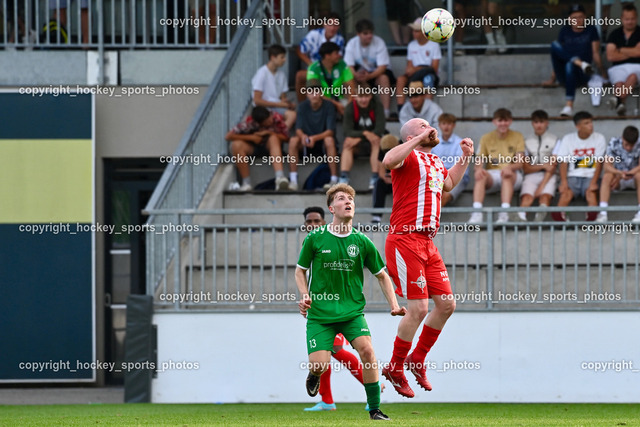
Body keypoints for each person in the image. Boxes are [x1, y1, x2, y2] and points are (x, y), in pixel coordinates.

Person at [296, 183, 407, 421]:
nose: (348, 202)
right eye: (341, 199)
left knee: (367, 351)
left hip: (352, 313)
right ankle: (314, 373)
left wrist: (394, 305)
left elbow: (382, 275)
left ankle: (375, 408)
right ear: (332, 208)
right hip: (320, 315)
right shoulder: (315, 238)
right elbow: (300, 271)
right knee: (320, 365)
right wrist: (305, 294)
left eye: (351, 199)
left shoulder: (362, 241)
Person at [380, 118, 473, 398]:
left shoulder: (433, 162)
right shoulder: (406, 155)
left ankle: (416, 359)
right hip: (405, 238)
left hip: (427, 243)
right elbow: (387, 160)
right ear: (410, 135)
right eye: (423, 126)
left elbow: (449, 183)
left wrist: (465, 158)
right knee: (418, 308)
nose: (429, 128)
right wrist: (417, 140)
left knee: (446, 305)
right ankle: (395, 368)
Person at [301, 206, 378, 412]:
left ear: (324, 222)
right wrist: (306, 298)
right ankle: (327, 399)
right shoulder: (311, 242)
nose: (313, 225)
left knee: (336, 350)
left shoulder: (337, 240)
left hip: (342, 309)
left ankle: (366, 385)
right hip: (320, 309)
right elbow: (302, 273)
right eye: (309, 222)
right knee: (327, 354)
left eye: (317, 221)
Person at [543, 4, 604, 117]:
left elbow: (595, 52)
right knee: (555, 45)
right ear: (569, 19)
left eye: (580, 17)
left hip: (583, 73)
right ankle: (579, 62)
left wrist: (603, 72)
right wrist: (552, 78)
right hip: (565, 74)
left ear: (585, 17)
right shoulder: (564, 31)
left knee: (569, 65)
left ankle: (569, 106)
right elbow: (559, 55)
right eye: (574, 17)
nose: (578, 20)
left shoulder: (591, 30)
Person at [468, 108, 525, 224]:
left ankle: (504, 213)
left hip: (513, 174)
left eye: (506, 121)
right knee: (480, 175)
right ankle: (477, 213)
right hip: (493, 175)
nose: (503, 124)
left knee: (506, 175)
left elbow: (520, 162)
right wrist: (478, 169)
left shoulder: (518, 136)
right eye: (500, 120)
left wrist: (510, 167)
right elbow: (479, 160)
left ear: (510, 121)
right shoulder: (486, 138)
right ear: (494, 122)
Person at [552, 111, 606, 222]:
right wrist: (563, 182)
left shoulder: (599, 138)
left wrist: (594, 182)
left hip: (591, 176)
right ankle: (561, 216)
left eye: (591, 122)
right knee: (566, 194)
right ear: (578, 126)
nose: (590, 125)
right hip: (573, 176)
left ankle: (591, 217)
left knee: (591, 193)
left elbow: (599, 162)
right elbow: (563, 162)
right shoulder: (568, 139)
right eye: (586, 123)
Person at [288, 80, 339, 190]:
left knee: (329, 140)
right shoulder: (302, 107)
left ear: (321, 93)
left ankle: (334, 179)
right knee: (293, 140)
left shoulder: (329, 106)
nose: (314, 94)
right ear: (306, 93)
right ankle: (293, 180)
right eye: (310, 91)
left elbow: (330, 131)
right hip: (306, 144)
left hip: (322, 143)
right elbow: (298, 129)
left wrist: (314, 138)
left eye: (317, 91)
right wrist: (303, 137)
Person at [225, 106, 289, 191]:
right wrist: (252, 138)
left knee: (273, 138)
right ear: (259, 123)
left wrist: (269, 133)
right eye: (266, 122)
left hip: (272, 147)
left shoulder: (276, 118)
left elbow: (286, 138)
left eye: (269, 118)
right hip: (253, 148)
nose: (270, 121)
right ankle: (246, 183)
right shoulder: (250, 123)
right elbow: (229, 136)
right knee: (236, 145)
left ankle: (280, 177)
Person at [344, 19, 395, 119]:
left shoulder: (379, 42)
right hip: (359, 75)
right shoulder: (351, 44)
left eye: (371, 33)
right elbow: (348, 66)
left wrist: (369, 76)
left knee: (384, 78)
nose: (369, 36)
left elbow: (382, 67)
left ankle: (386, 112)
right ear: (358, 34)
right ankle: (351, 112)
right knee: (348, 80)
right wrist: (356, 75)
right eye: (365, 33)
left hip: (375, 74)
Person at [339, 83, 386, 189]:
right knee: (347, 143)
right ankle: (344, 177)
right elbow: (347, 131)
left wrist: (361, 137)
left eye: (366, 96)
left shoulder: (377, 105)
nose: (363, 100)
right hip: (357, 144)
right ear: (355, 96)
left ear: (371, 96)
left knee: (376, 140)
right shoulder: (350, 108)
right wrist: (364, 134)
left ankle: (375, 177)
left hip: (372, 143)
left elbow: (379, 129)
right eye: (360, 97)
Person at [519, 110, 560, 222]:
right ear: (532, 123)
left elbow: (551, 167)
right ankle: (521, 218)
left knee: (545, 196)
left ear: (547, 123)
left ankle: (538, 220)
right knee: (527, 197)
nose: (539, 125)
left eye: (541, 122)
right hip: (531, 175)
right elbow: (526, 168)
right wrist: (543, 166)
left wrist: (541, 187)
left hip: (549, 176)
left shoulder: (555, 140)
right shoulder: (526, 141)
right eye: (536, 122)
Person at [295, 13, 344, 102]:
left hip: (331, 70)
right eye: (330, 24)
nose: (332, 28)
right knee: (299, 76)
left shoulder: (339, 39)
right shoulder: (314, 34)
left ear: (339, 26)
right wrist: (310, 64)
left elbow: (338, 59)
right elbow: (299, 50)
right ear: (324, 24)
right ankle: (302, 106)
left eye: (335, 25)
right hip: (314, 70)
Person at [596, 125, 640, 223]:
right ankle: (603, 213)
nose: (628, 148)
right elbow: (607, 165)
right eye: (626, 144)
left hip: (634, 178)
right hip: (618, 178)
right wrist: (619, 174)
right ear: (622, 138)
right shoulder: (614, 143)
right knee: (607, 175)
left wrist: (626, 174)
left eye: (631, 145)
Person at [395, 18, 441, 110]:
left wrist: (416, 69)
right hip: (414, 75)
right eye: (413, 31)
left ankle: (427, 109)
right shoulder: (411, 45)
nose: (413, 33)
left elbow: (434, 68)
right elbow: (409, 64)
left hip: (428, 74)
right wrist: (409, 71)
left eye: (417, 31)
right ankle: (401, 109)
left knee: (428, 79)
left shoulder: (434, 45)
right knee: (400, 80)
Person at [605, 3, 640, 116]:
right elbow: (610, 56)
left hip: (637, 66)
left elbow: (639, 52)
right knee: (619, 82)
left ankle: (617, 98)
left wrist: (620, 49)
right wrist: (632, 51)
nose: (629, 21)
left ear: (637, 18)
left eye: (632, 19)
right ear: (621, 19)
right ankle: (621, 104)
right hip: (617, 67)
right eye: (627, 19)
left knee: (633, 76)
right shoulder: (614, 34)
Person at [251, 44, 297, 130]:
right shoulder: (262, 73)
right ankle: (280, 134)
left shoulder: (282, 75)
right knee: (292, 115)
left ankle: (279, 134)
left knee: (296, 113)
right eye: (282, 57)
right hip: (263, 109)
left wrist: (287, 104)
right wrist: (278, 104)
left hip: (276, 107)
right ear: (273, 57)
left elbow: (283, 98)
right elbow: (257, 100)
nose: (285, 60)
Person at [307, 42, 357, 116]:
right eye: (336, 53)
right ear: (327, 56)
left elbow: (351, 85)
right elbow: (315, 92)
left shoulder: (342, 64)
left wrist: (349, 104)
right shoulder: (313, 68)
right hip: (322, 100)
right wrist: (336, 104)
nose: (339, 55)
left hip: (339, 99)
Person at [431, 113, 470, 207]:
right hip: (438, 176)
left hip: (457, 177)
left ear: (453, 125)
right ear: (439, 125)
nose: (446, 127)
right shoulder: (434, 143)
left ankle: (430, 220)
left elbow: (459, 168)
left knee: (445, 195)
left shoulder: (460, 143)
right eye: (444, 123)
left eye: (449, 124)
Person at [372, 135, 400, 224]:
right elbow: (381, 171)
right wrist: (386, 179)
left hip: (400, 179)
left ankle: (402, 215)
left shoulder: (403, 150)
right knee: (379, 183)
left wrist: (395, 180)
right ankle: (377, 215)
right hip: (389, 179)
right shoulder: (382, 150)